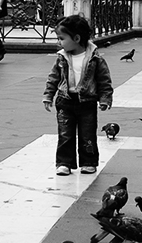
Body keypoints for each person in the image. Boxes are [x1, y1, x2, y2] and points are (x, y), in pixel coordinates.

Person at [42, 15, 113, 176]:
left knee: (87, 134)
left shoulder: (95, 58)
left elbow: (104, 80)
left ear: (76, 38)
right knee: (65, 134)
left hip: (87, 102)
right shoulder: (61, 57)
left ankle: (88, 162)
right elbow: (53, 78)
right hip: (65, 101)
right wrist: (48, 95)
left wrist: (105, 98)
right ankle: (64, 163)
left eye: (61, 38)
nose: (58, 42)